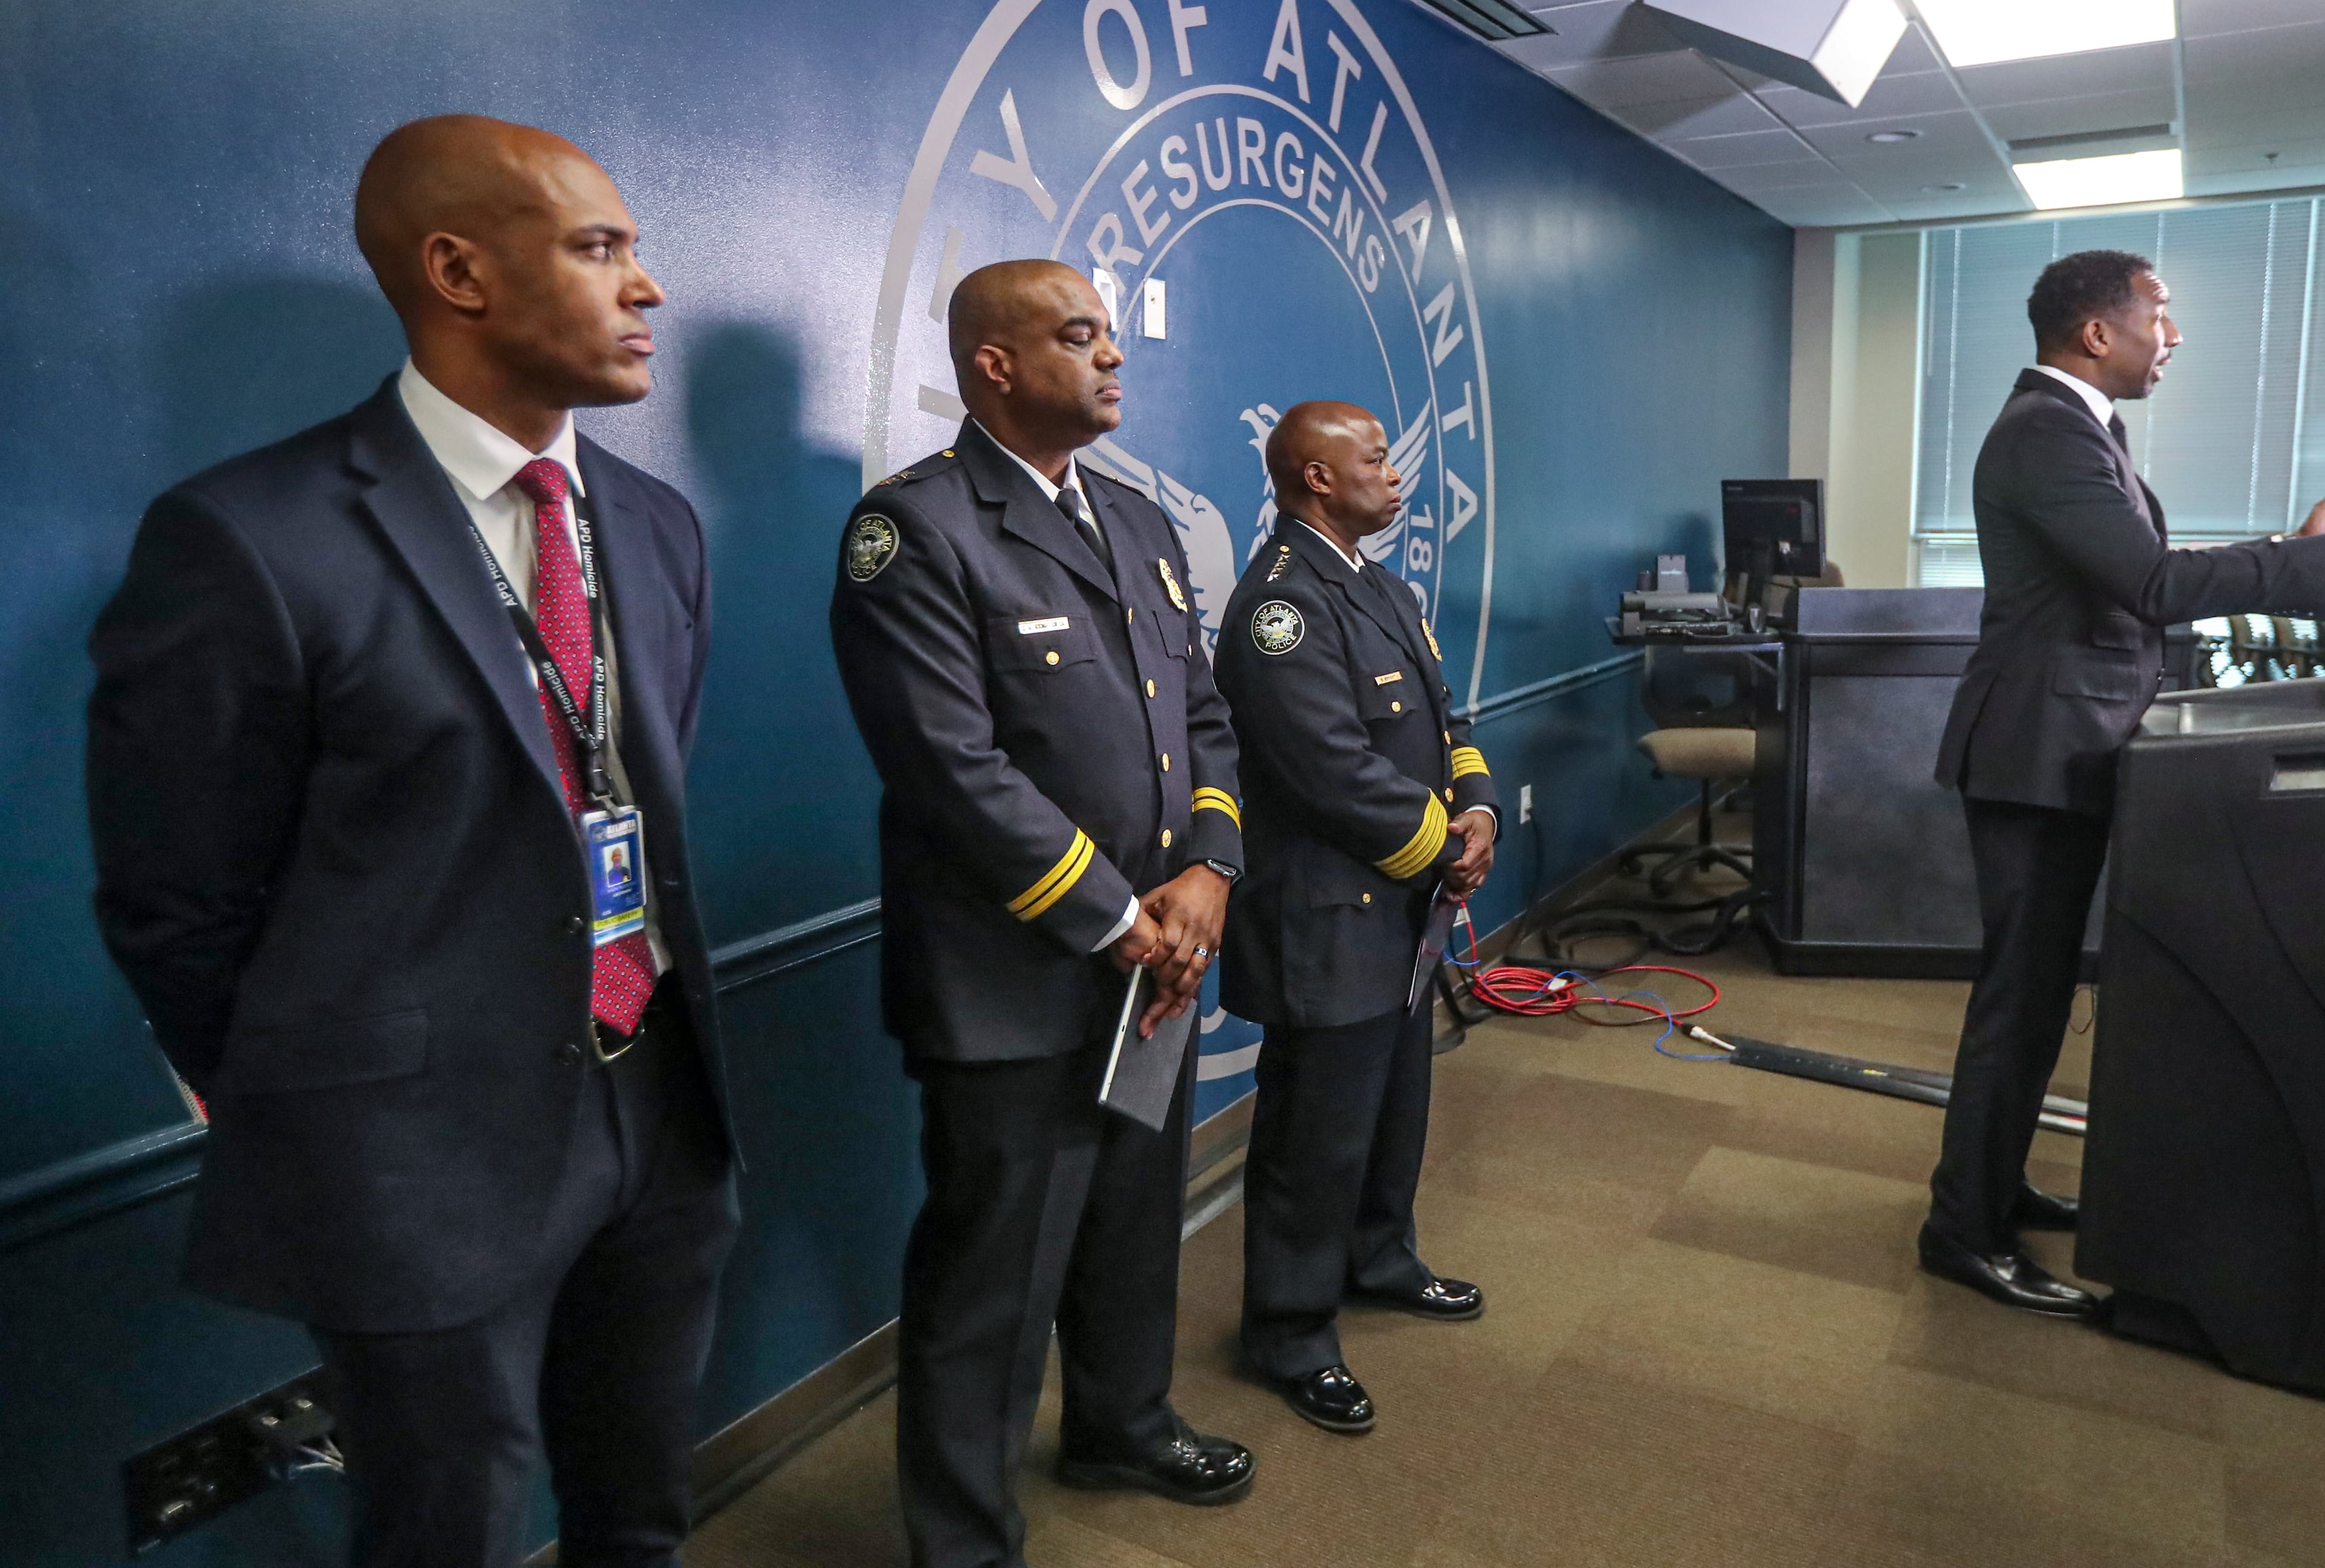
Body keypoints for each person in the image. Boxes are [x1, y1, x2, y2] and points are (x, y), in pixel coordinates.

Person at [86, 115, 737, 1567]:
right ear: (459, 270)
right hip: (416, 1158)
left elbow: (630, 777)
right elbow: (173, 904)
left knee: (642, 1504)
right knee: (445, 1523)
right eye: (601, 247)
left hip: (660, 1104)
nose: (649, 288)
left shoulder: (655, 523)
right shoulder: (251, 533)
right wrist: (341, 1093)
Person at [1925, 248, 2325, 1317]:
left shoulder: (2081, 429)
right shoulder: (2045, 432)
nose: (2175, 336)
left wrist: (2297, 549)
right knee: (2019, 1004)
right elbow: (2157, 587)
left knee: (2033, 1002)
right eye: (2160, 316)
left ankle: (1989, 1185)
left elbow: (2134, 570)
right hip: (2037, 752)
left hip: (2064, 743)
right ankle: (1961, 1233)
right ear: (2096, 333)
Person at [828, 259, 1253, 1567]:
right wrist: (1123, 917)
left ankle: (1122, 1422)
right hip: (1015, 977)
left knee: (1134, 1220)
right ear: (995, 365)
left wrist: (1210, 872)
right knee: (994, 1274)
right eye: (1080, 337)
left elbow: (1203, 718)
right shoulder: (918, 531)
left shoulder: (1135, 520)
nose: (1113, 357)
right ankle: (962, 1538)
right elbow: (952, 768)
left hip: (1155, 965)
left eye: (1113, 336)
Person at [1213, 400, 1496, 1433]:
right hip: (1329, 913)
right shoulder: (1281, 606)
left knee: (1392, 1107)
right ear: (1317, 479)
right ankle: (1287, 1330)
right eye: (1373, 457)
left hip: (1402, 909)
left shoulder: (1382, 586)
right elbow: (1327, 769)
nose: (1394, 469)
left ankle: (1378, 1258)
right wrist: (1441, 855)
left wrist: (1477, 807)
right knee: (1314, 1137)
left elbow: (1443, 717)